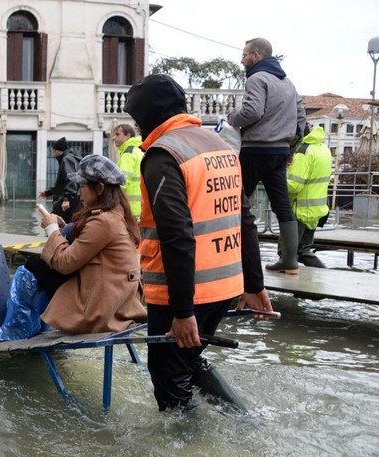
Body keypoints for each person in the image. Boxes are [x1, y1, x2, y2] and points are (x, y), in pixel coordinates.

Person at [124, 73, 274, 412]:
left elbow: (177, 236)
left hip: (185, 294)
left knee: (170, 386)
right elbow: (243, 218)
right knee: (188, 362)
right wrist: (253, 283)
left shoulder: (163, 155)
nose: (136, 127)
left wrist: (182, 311)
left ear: (148, 116)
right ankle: (244, 422)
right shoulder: (219, 146)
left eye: (137, 119)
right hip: (225, 288)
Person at [29, 154, 147, 334]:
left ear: (99, 188)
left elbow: (65, 263)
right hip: (121, 302)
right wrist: (63, 228)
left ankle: (22, 326)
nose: (78, 193)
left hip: (104, 311)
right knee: (53, 248)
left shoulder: (104, 221)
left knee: (34, 264)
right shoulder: (118, 214)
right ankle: (40, 321)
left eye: (82, 186)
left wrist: (52, 230)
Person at [228, 37, 307, 275]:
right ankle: (290, 261)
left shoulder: (257, 78)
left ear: (257, 55)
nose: (242, 60)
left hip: (255, 150)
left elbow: (251, 111)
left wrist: (231, 118)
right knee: (282, 204)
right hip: (280, 152)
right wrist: (291, 150)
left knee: (237, 202)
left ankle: (235, 260)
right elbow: (301, 120)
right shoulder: (288, 83)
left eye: (244, 55)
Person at [287, 124, 332, 268]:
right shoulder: (322, 148)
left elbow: (294, 185)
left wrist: (275, 181)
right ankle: (319, 277)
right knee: (304, 250)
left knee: (287, 253)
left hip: (300, 210)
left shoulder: (303, 152)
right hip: (316, 210)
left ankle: (297, 285)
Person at [38, 137, 81, 223]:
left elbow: (70, 179)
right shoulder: (73, 158)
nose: (54, 154)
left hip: (66, 203)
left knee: (56, 226)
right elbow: (62, 184)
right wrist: (47, 192)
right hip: (75, 201)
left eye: (54, 151)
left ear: (59, 150)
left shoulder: (66, 159)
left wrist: (66, 199)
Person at [113, 124, 144, 218]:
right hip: (140, 208)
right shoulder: (138, 150)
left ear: (128, 135)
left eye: (117, 134)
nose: (114, 138)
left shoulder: (128, 154)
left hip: (129, 209)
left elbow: (122, 182)